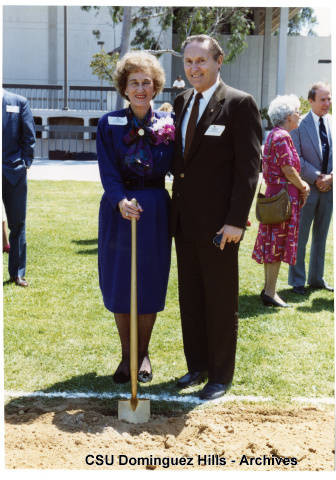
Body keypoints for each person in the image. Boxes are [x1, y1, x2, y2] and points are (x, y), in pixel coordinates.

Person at [170, 34, 262, 400]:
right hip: (183, 222)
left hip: (221, 226)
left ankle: (220, 376)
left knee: (220, 301)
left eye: (201, 61)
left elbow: (248, 168)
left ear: (218, 61)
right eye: (189, 62)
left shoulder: (239, 104)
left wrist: (236, 220)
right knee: (190, 298)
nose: (195, 68)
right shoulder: (180, 102)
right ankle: (197, 366)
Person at [96, 51, 174, 384]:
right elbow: (108, 171)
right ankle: (126, 357)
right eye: (134, 83)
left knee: (149, 284)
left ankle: (143, 355)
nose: (141, 89)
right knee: (120, 285)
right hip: (118, 212)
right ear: (124, 88)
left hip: (155, 211)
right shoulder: (108, 123)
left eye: (146, 82)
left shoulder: (169, 125)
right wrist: (119, 202)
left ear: (155, 87)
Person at [252, 95, 310, 307]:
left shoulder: (274, 135)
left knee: (271, 243)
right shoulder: (283, 136)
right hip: (283, 198)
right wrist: (303, 185)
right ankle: (270, 292)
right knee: (276, 244)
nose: (299, 115)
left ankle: (269, 289)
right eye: (297, 111)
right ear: (287, 116)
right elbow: (288, 168)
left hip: (275, 197)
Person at [288, 82, 333, 294]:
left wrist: (331, 178)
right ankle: (297, 281)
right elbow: (296, 158)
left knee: (321, 236)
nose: (327, 103)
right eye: (323, 99)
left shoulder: (332, 122)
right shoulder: (300, 124)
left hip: (329, 189)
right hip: (306, 189)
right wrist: (317, 178)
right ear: (311, 101)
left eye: (329, 98)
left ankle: (317, 279)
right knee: (300, 236)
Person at [2, 89, 35, 287]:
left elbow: (29, 136)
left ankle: (17, 273)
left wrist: (26, 163)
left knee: (17, 224)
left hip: (14, 171)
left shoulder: (18, 101)